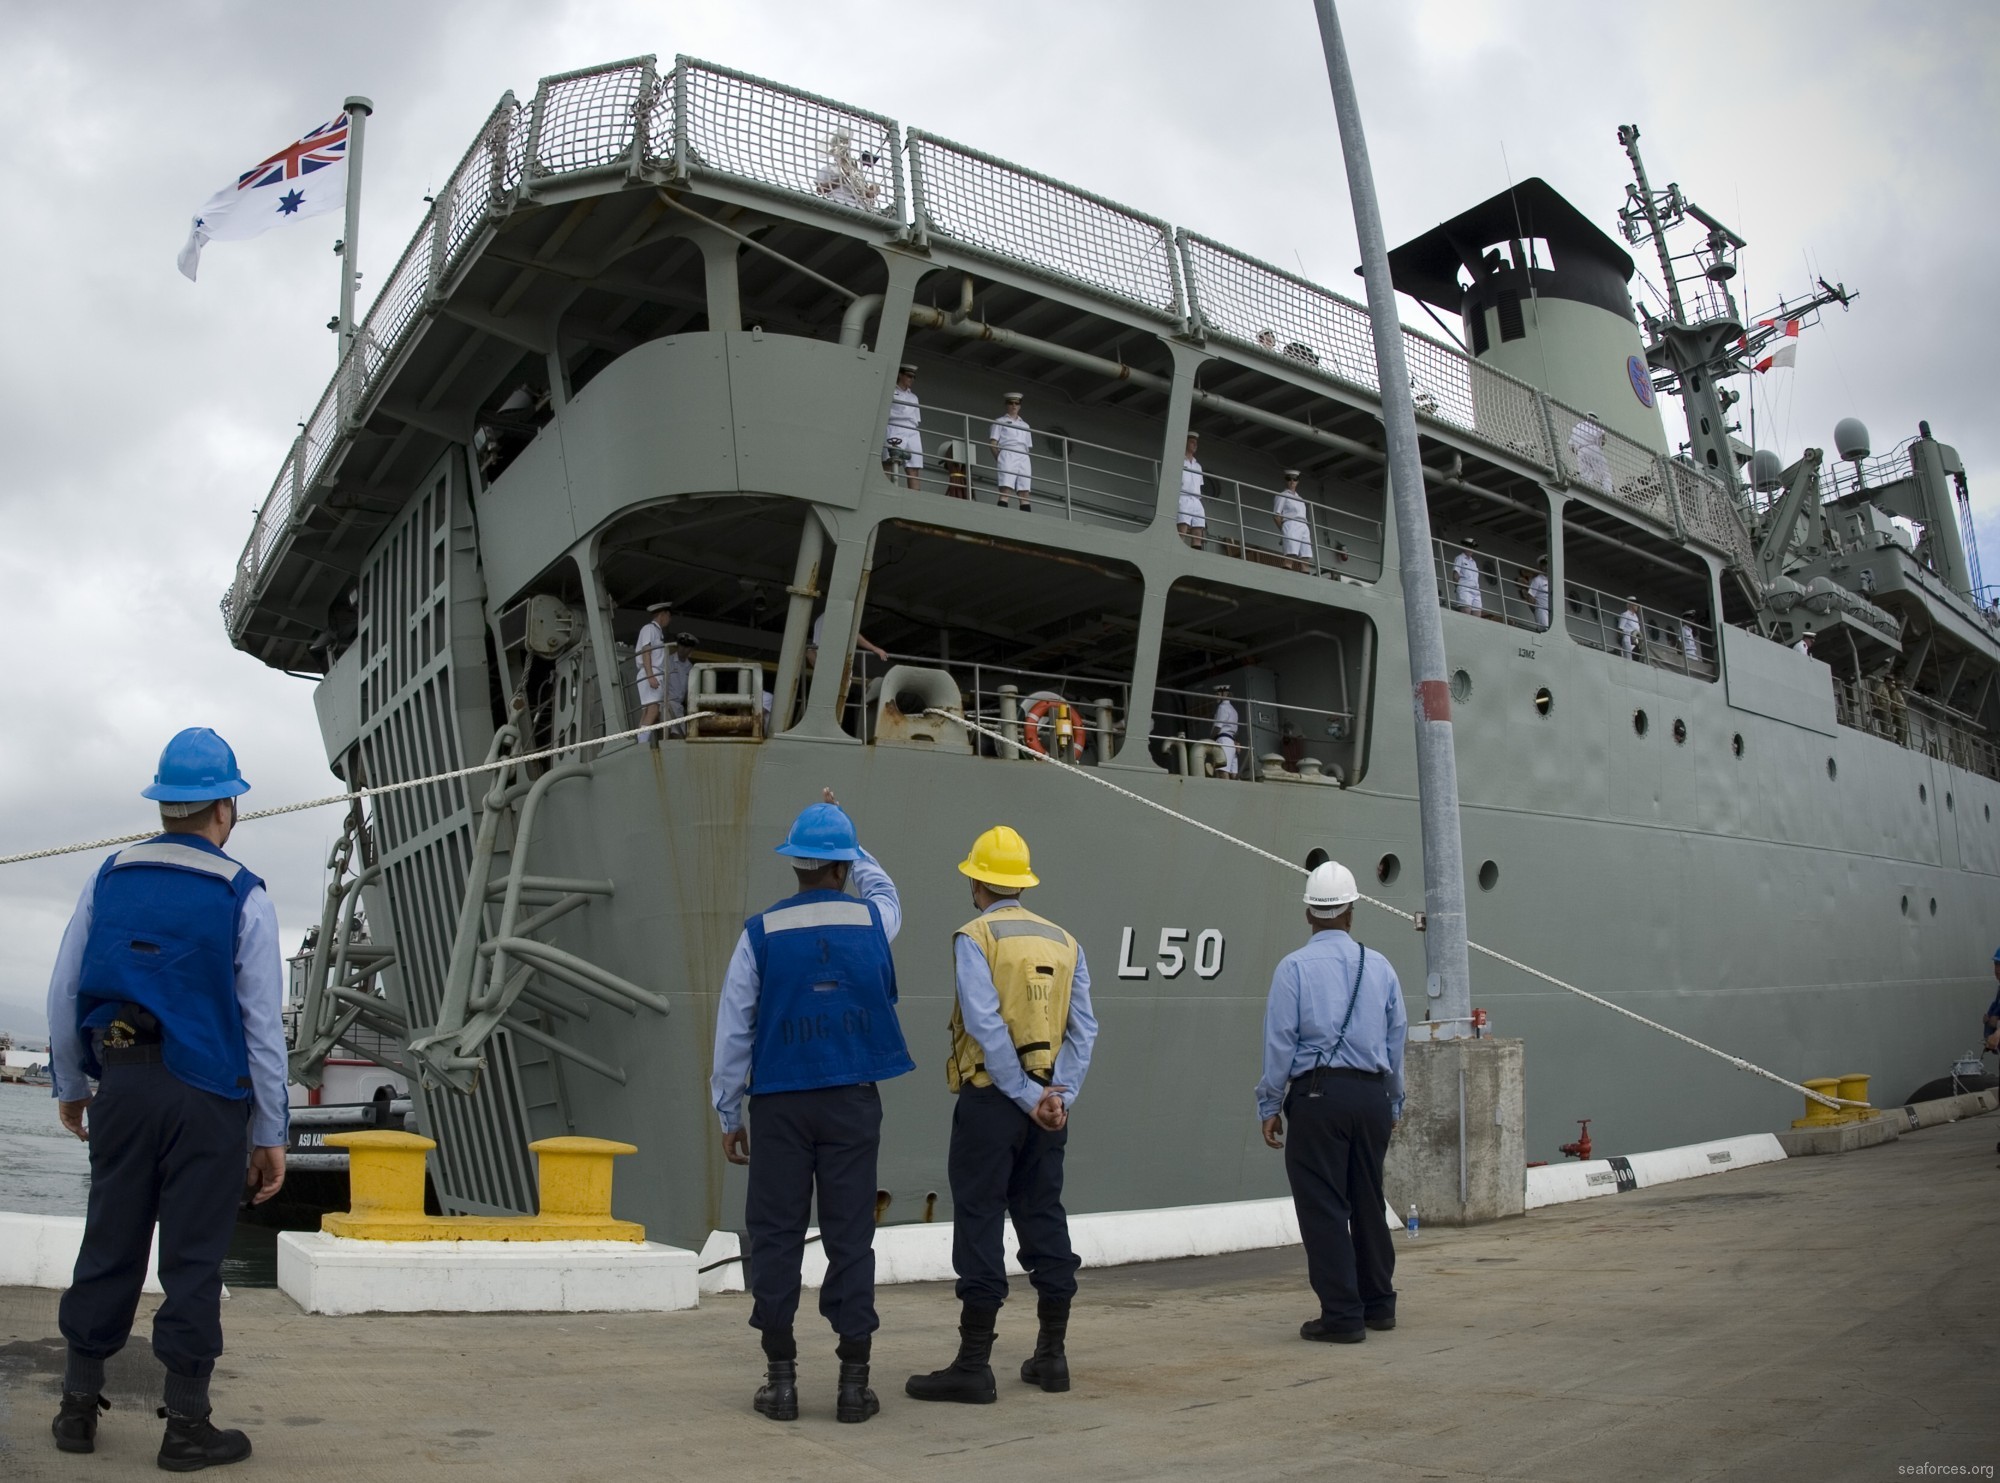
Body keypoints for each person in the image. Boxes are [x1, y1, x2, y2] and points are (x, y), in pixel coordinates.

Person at [45, 728, 288, 1469]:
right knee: (192, 1260)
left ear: (163, 803)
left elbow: (64, 988)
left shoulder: (108, 876)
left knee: (108, 1240)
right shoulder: (243, 891)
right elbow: (261, 1024)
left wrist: (72, 1084)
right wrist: (270, 1129)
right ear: (227, 805)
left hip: (121, 1080)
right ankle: (185, 1425)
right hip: (207, 1097)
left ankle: (77, 1409)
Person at [710, 789, 915, 1425]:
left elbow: (733, 1031)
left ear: (795, 865)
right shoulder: (873, 922)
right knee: (851, 1235)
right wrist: (857, 841)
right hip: (853, 1099)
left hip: (780, 1104)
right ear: (843, 867)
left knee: (775, 1235)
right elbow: (887, 892)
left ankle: (781, 1380)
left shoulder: (759, 934)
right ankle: (854, 1385)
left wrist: (727, 1113)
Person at [907, 826, 1097, 1405]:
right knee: (1044, 1214)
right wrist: (1056, 1096)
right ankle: (1052, 1356)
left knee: (982, 1219)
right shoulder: (1066, 942)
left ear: (977, 881)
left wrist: (1020, 1093)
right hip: (1048, 1108)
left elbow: (985, 1024)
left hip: (994, 1100)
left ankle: (973, 1365)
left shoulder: (975, 936)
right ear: (1021, 882)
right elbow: (1083, 1030)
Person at [1256, 860, 1406, 1344]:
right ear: (1351, 912)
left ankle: (1341, 1314)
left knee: (1323, 1205)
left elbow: (1280, 1043)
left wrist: (1269, 1105)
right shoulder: (1379, 966)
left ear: (1308, 915)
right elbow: (1395, 1039)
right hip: (1370, 1096)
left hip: (1318, 1097)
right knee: (1368, 1198)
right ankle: (1379, 1304)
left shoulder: (1293, 968)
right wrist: (1394, 1101)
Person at [814, 131, 882, 211]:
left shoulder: (859, 171)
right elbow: (819, 190)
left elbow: (868, 196)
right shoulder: (827, 169)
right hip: (837, 204)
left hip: (859, 209)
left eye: (845, 143)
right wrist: (843, 178)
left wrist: (873, 191)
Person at [635, 599, 672, 745]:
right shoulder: (649, 629)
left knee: (647, 711)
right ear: (663, 615)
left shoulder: (657, 631)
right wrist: (651, 676)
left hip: (653, 673)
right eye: (669, 616)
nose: (669, 620)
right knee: (653, 709)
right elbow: (646, 651)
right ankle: (642, 742)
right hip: (650, 673)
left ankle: (641, 740)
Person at [989, 393, 1033, 512]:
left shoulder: (1025, 425)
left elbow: (1028, 446)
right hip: (1007, 452)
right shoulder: (1000, 421)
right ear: (1006, 405)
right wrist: (1000, 459)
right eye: (1011, 403)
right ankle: (1002, 514)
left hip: (1023, 455)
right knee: (1006, 489)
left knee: (1024, 491)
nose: (1014, 406)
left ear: (1019, 406)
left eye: (1016, 403)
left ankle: (1026, 518)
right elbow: (993, 443)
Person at [882, 364, 922, 489]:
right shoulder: (891, 392)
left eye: (914, 377)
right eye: (909, 376)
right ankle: (886, 490)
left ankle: (915, 498)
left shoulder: (914, 397)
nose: (912, 379)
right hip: (895, 427)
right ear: (900, 375)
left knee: (914, 468)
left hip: (912, 430)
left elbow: (917, 419)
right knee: (890, 463)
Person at [1273, 469, 1312, 572]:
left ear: (1297, 481)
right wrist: (1284, 531)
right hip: (1290, 523)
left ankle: (1306, 578)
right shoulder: (1283, 495)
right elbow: (1277, 515)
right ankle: (1286, 577)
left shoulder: (1301, 499)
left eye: (1294, 479)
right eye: (1289, 479)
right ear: (1286, 481)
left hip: (1303, 525)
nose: (1292, 481)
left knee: (1305, 556)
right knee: (1290, 555)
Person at [1569, 411, 1612, 493]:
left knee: (1586, 473)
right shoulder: (1596, 426)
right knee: (1604, 474)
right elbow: (1602, 440)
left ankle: (1587, 490)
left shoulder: (1577, 426)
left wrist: (1580, 452)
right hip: (1593, 448)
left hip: (1581, 451)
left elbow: (1571, 446)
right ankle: (1608, 491)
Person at [1177, 433, 1206, 549]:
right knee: (1182, 528)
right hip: (1183, 497)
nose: (1195, 445)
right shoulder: (1179, 461)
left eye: (1196, 443)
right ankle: (1178, 550)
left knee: (1198, 531)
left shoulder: (1198, 466)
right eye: (1192, 442)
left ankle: (1195, 554)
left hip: (1196, 500)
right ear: (1186, 443)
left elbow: (1199, 484)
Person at [666, 632, 698, 726]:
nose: (683, 649)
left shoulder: (690, 667)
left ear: (691, 649)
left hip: (679, 706)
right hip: (666, 704)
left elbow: (690, 691)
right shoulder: (668, 661)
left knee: (679, 736)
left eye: (686, 647)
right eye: (681, 645)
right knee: (666, 734)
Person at [1211, 683, 1240, 779]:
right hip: (1231, 742)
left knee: (1221, 771)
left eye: (1217, 694)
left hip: (1223, 740)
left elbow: (1218, 727)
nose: (1216, 696)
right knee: (1232, 774)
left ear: (1224, 694)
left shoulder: (1222, 707)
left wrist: (1210, 739)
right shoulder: (1233, 710)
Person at [1451, 538, 1483, 615]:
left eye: (1473, 547)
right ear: (1464, 546)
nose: (1471, 549)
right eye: (1470, 547)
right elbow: (1455, 575)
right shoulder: (1459, 558)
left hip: (1476, 591)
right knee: (1466, 613)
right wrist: (1458, 588)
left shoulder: (1474, 562)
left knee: (1477, 616)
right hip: (1465, 589)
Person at [1521, 556, 1550, 631]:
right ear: (1540, 567)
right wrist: (1536, 610)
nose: (1546, 567)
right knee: (1545, 631)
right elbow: (1530, 598)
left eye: (1548, 564)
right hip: (1542, 610)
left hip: (1552, 612)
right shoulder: (1537, 580)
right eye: (1544, 565)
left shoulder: (1552, 581)